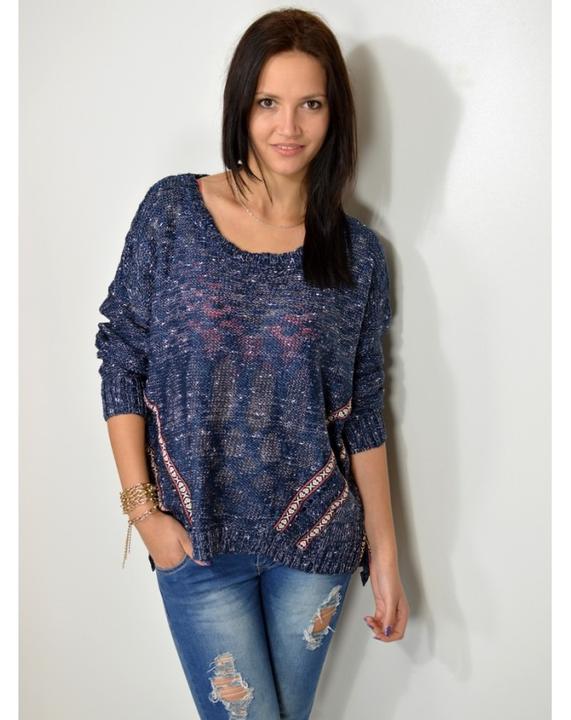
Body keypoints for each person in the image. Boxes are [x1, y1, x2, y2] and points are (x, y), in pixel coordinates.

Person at [95, 7, 409, 719]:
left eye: (310, 104)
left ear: (335, 114)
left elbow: (363, 411)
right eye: (268, 102)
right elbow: (121, 353)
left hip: (317, 542)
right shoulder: (174, 212)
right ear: (241, 106)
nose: (287, 127)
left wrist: (386, 558)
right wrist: (144, 514)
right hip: (196, 538)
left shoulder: (358, 255)